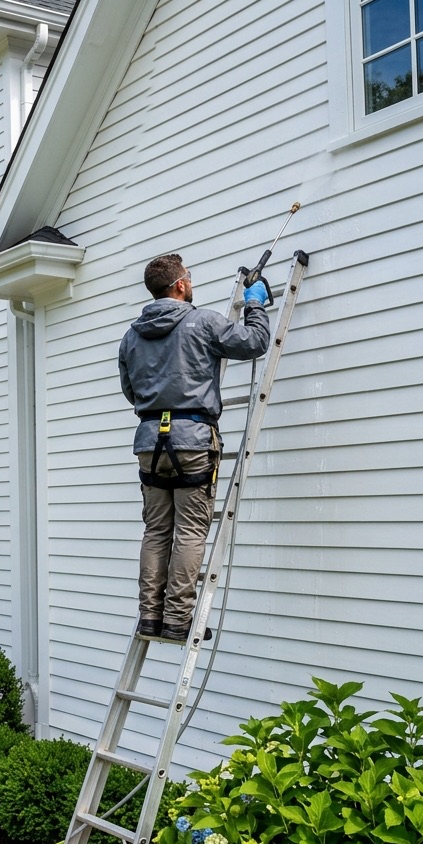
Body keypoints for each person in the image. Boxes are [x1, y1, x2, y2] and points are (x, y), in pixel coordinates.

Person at [118, 253, 270, 643]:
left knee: (156, 531)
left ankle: (149, 617)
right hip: (193, 441)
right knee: (189, 530)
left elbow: (131, 391)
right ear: (181, 285)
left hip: (149, 443)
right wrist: (254, 304)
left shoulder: (131, 337)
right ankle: (177, 620)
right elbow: (254, 342)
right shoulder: (202, 322)